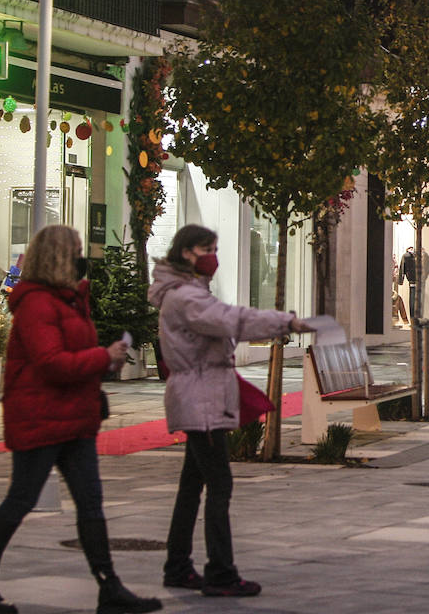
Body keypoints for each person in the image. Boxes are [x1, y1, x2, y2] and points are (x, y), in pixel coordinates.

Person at [0, 225, 162, 614]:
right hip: (40, 418)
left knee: (91, 504)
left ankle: (109, 586)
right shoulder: (38, 304)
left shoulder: (68, 300)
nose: (81, 258)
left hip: (73, 418)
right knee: (20, 500)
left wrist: (102, 361)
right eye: (74, 251)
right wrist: (104, 357)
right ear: (57, 257)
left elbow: (72, 355)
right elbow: (51, 363)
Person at [149, 225, 312, 599]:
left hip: (200, 394)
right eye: (208, 248)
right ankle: (220, 572)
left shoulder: (187, 293)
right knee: (219, 485)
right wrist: (284, 322)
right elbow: (232, 319)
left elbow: (227, 318)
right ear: (187, 253)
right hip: (201, 398)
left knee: (193, 485)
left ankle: (177, 565)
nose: (214, 256)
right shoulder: (187, 298)